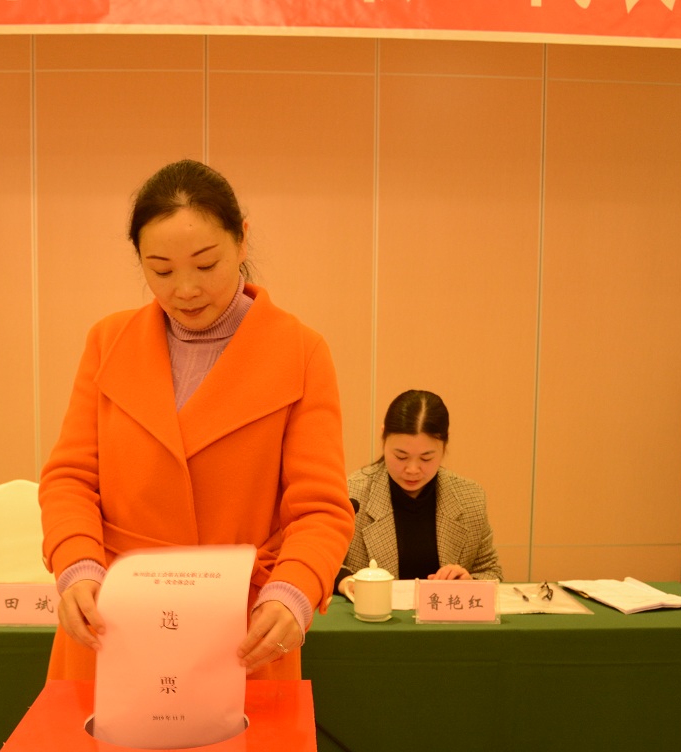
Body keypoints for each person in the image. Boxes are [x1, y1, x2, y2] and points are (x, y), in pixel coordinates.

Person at [38, 160, 353, 682]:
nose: (184, 289)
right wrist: (75, 563)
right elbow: (69, 479)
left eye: (206, 265)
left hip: (242, 626)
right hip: (113, 615)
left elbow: (320, 509)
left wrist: (293, 590)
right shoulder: (107, 342)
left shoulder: (301, 353)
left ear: (242, 241)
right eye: (160, 271)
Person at [336, 389, 502, 599]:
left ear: (444, 445)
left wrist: (469, 583)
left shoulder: (470, 498)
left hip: (445, 619)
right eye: (401, 456)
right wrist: (347, 583)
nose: (412, 469)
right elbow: (323, 562)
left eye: (426, 458)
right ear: (383, 437)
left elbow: (491, 572)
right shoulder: (353, 494)